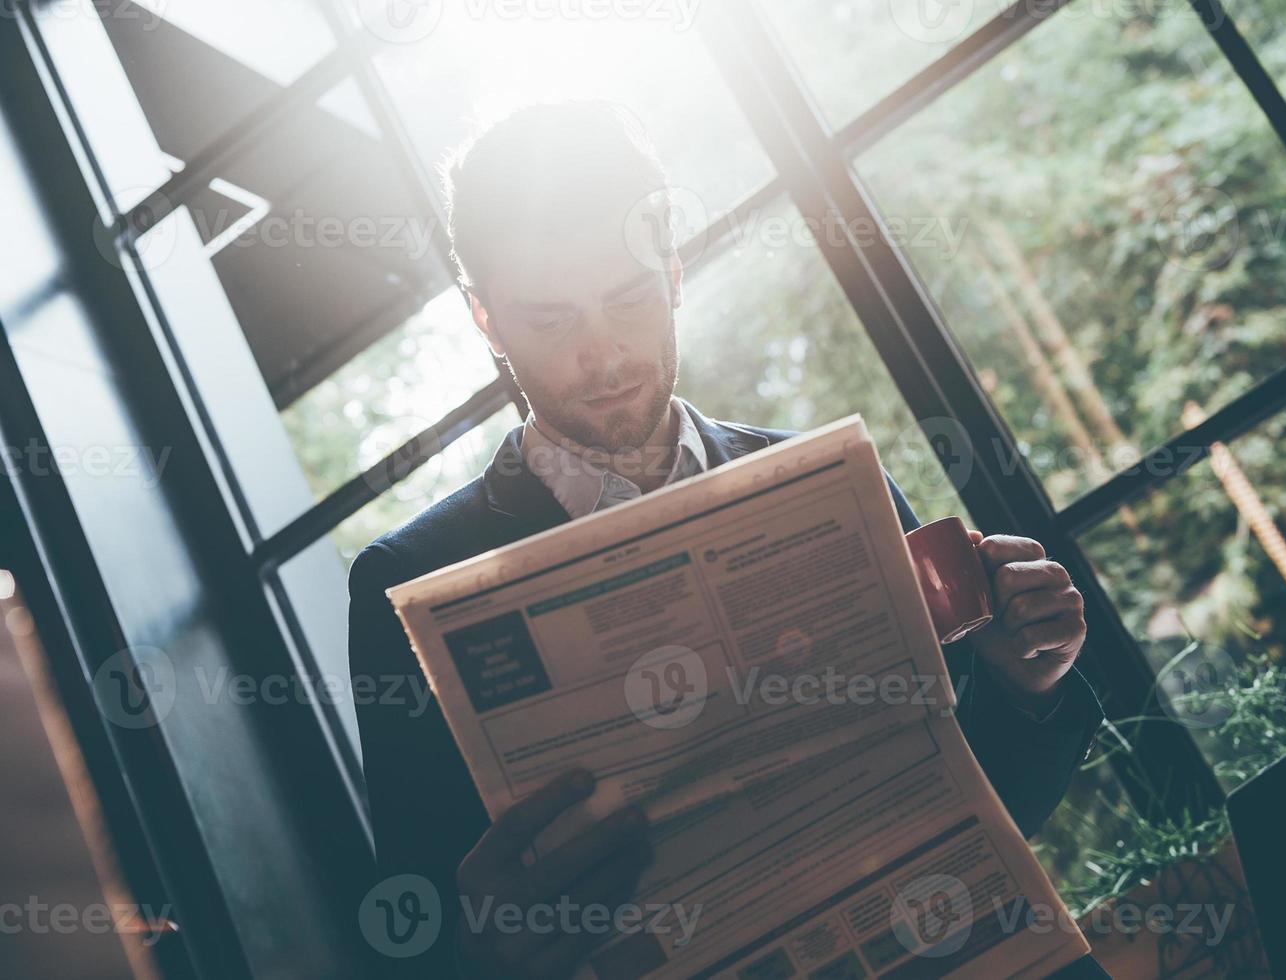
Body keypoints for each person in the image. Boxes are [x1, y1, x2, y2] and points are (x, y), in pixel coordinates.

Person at [348, 100, 1106, 978]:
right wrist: (483, 943)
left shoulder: (832, 485)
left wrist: (1026, 685)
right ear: (487, 321)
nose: (602, 354)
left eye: (627, 300)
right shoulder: (411, 580)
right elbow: (414, 936)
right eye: (550, 322)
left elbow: (987, 808)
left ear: (671, 273)